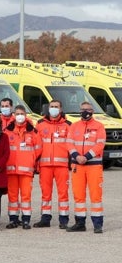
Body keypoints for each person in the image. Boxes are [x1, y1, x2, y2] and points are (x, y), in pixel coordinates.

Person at [66, 101, 106, 233]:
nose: (85, 112)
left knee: (95, 195)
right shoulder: (74, 126)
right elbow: (69, 143)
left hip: (93, 165)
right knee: (78, 195)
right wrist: (77, 156)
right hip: (78, 165)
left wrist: (86, 156)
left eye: (88, 109)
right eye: (82, 109)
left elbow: (100, 144)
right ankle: (80, 223)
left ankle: (97, 224)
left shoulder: (99, 126)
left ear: (92, 111)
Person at [34, 99, 71, 229]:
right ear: (48, 108)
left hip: (62, 166)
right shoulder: (40, 124)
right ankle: (45, 218)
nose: (54, 108)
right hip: (45, 165)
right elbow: (35, 144)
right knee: (45, 193)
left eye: (56, 106)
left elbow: (72, 145)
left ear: (61, 109)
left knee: (63, 193)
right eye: (52, 106)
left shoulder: (67, 125)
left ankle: (64, 219)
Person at [4, 104, 42, 229]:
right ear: (13, 116)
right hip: (11, 170)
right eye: (17, 114)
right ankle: (13, 219)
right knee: (12, 196)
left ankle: (26, 220)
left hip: (26, 170)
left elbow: (38, 149)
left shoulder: (33, 131)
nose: (20, 116)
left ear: (26, 115)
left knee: (26, 196)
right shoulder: (7, 131)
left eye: (22, 114)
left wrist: (30, 161)